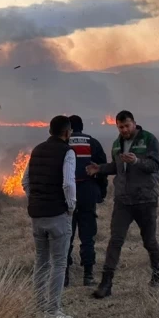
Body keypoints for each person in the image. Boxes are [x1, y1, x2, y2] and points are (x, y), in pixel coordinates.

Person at [86, 110, 159, 299]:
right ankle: (106, 283)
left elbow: (155, 165)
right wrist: (100, 169)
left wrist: (136, 160)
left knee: (149, 240)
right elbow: (116, 167)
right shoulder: (116, 144)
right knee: (115, 240)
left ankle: (158, 275)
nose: (125, 129)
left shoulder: (149, 139)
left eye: (127, 125)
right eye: (121, 127)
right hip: (123, 201)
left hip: (145, 199)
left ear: (134, 123)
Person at [21, 115, 78, 318]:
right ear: (67, 132)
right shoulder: (67, 152)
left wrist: (35, 200)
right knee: (59, 263)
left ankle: (38, 308)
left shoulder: (36, 150)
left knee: (41, 261)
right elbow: (68, 184)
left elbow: (24, 181)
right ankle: (54, 310)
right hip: (58, 214)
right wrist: (70, 207)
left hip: (37, 214)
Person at [65, 113, 108, 287]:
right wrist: (101, 192)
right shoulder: (93, 142)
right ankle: (88, 274)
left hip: (67, 194)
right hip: (88, 193)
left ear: (68, 128)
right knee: (88, 235)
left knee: (66, 235)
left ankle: (65, 275)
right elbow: (102, 169)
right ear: (82, 127)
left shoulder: (63, 142)